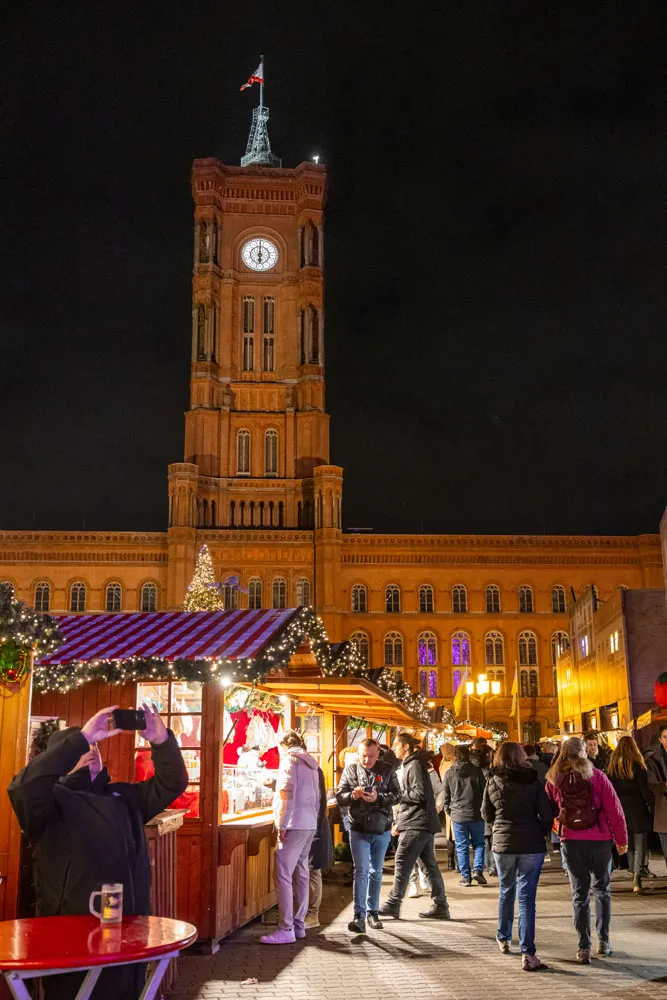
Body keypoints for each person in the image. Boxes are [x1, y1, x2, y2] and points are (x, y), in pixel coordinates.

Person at [7, 703, 188, 1000]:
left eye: (94, 745)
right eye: (81, 748)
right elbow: (22, 787)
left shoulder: (125, 797)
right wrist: (84, 735)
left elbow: (173, 781)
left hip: (128, 930)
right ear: (62, 759)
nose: (90, 750)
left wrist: (161, 740)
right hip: (70, 939)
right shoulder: (48, 803)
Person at [546, 736, 628, 963]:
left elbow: (551, 807)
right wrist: (621, 840)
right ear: (584, 752)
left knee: (579, 894)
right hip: (600, 841)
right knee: (602, 890)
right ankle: (604, 941)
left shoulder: (554, 778)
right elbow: (615, 810)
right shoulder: (598, 777)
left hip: (570, 840)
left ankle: (583, 946)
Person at [482, 741, 553, 972]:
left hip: (503, 844)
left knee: (506, 890)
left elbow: (486, 813)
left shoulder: (493, 780)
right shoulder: (533, 781)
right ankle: (528, 953)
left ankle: (503, 938)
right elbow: (547, 813)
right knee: (526, 899)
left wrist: (499, 827)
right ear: (521, 756)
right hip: (531, 843)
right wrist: (539, 831)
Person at [379, 732, 450, 920]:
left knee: (402, 860)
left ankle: (394, 903)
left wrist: (398, 795)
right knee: (429, 866)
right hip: (419, 822)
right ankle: (440, 905)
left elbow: (418, 794)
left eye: (396, 744)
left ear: (406, 747)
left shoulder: (414, 765)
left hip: (417, 823)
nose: (394, 748)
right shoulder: (413, 764)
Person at [261, 730, 320, 945]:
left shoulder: (289, 761)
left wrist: (282, 823)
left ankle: (285, 928)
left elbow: (286, 792)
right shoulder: (312, 764)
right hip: (309, 822)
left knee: (283, 874)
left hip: (294, 822)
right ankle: (299, 924)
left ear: (284, 745)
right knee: (302, 873)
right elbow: (317, 796)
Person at [336, 737, 401, 933]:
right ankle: (359, 915)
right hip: (358, 828)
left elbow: (398, 795)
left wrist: (378, 798)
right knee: (361, 871)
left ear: (378, 753)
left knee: (376, 871)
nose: (367, 760)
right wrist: (352, 796)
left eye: (371, 756)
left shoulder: (387, 769)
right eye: (364, 756)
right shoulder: (351, 770)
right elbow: (340, 797)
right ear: (359, 754)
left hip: (381, 828)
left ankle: (373, 912)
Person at [607, 736, 653, 894]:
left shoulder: (613, 767)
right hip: (637, 808)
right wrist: (651, 806)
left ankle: (633, 872)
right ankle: (637, 876)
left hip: (620, 809)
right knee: (641, 844)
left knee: (630, 844)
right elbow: (644, 790)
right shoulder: (638, 766)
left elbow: (611, 791)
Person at [443, 744, 486, 886]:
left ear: (455, 756)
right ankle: (478, 870)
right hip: (476, 813)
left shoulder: (449, 773)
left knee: (461, 846)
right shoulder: (476, 771)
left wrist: (450, 811)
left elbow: (446, 796)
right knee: (479, 844)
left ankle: (466, 877)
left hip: (458, 815)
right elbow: (483, 792)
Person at [306, 763, 334, 929]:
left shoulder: (313, 769)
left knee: (312, 870)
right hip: (306, 826)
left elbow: (320, 800)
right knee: (308, 871)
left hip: (312, 827)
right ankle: (306, 914)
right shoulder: (310, 768)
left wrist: (316, 828)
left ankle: (312, 914)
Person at [471, 743, 497, 878]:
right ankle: (491, 866)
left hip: (472, 808)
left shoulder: (472, 769)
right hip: (485, 807)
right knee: (488, 839)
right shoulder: (488, 772)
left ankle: (483, 866)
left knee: (482, 840)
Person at [645, 724, 667, 867]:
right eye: (665, 737)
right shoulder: (653, 760)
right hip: (663, 810)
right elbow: (652, 784)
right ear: (660, 739)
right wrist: (664, 785)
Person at [438, 743, 457, 870]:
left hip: (447, 799)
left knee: (450, 833)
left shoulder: (442, 763)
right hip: (456, 800)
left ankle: (451, 861)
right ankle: (458, 862)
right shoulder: (454, 764)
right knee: (458, 833)